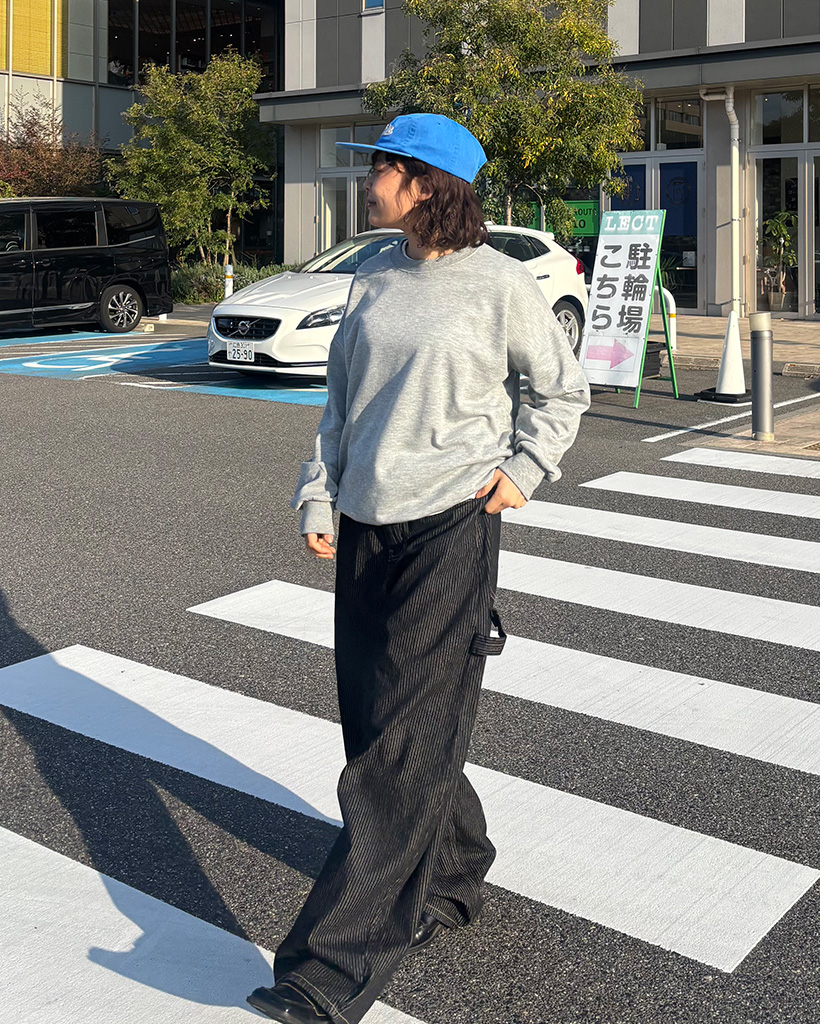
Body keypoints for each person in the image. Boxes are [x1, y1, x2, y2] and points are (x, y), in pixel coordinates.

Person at [248, 113, 591, 1024]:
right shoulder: (372, 278)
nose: (367, 183)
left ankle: (331, 969)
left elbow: (560, 390)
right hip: (366, 526)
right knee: (381, 725)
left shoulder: (501, 284)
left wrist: (525, 470)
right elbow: (340, 405)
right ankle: (455, 868)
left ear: (426, 182)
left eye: (381, 169)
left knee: (398, 752)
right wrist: (319, 495)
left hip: (450, 526)